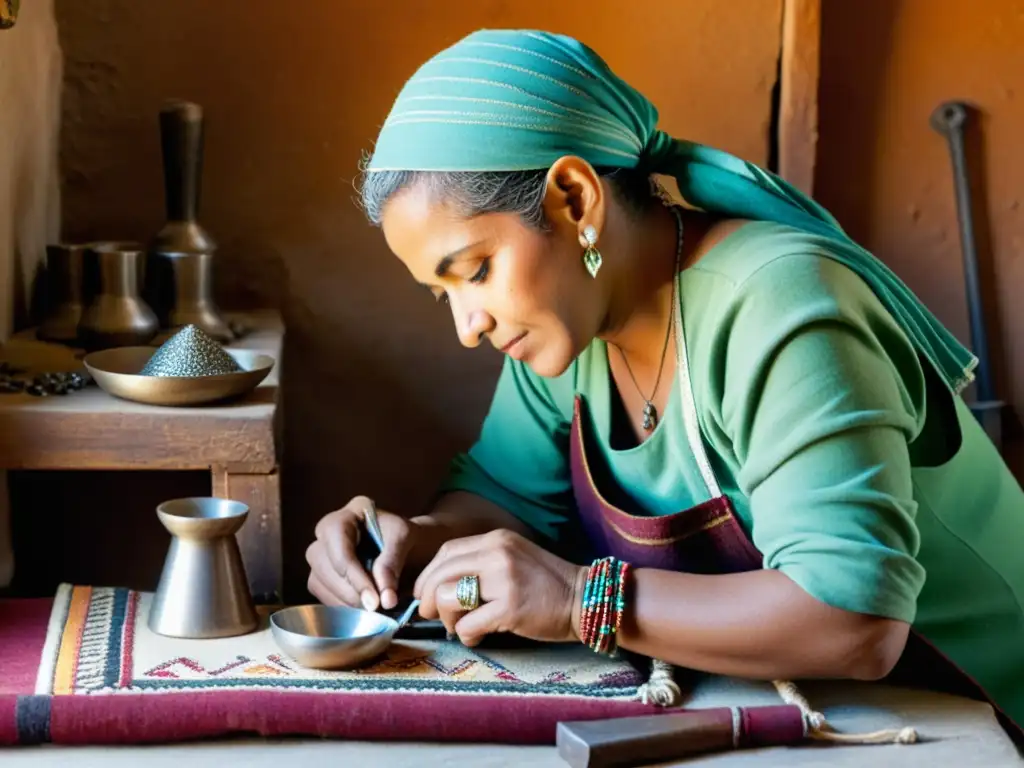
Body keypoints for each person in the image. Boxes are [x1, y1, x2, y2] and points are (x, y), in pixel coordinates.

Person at [305, 28, 1024, 734]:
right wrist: (411, 546)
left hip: (980, 715)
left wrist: (582, 600)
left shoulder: (782, 302)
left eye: (477, 272)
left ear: (576, 200)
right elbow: (505, 500)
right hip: (825, 716)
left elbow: (855, 621)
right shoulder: (570, 331)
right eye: (443, 293)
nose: (468, 326)